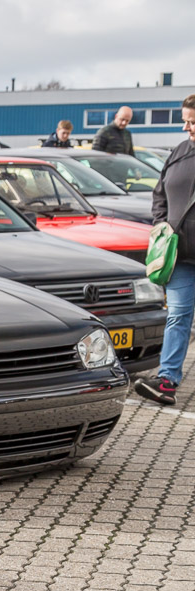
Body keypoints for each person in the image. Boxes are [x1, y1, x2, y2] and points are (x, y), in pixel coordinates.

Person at [135, 95, 195, 406]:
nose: (186, 127)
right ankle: (167, 381)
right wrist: (162, 224)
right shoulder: (180, 151)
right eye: (185, 120)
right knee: (178, 317)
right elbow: (160, 193)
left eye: (192, 122)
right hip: (179, 254)